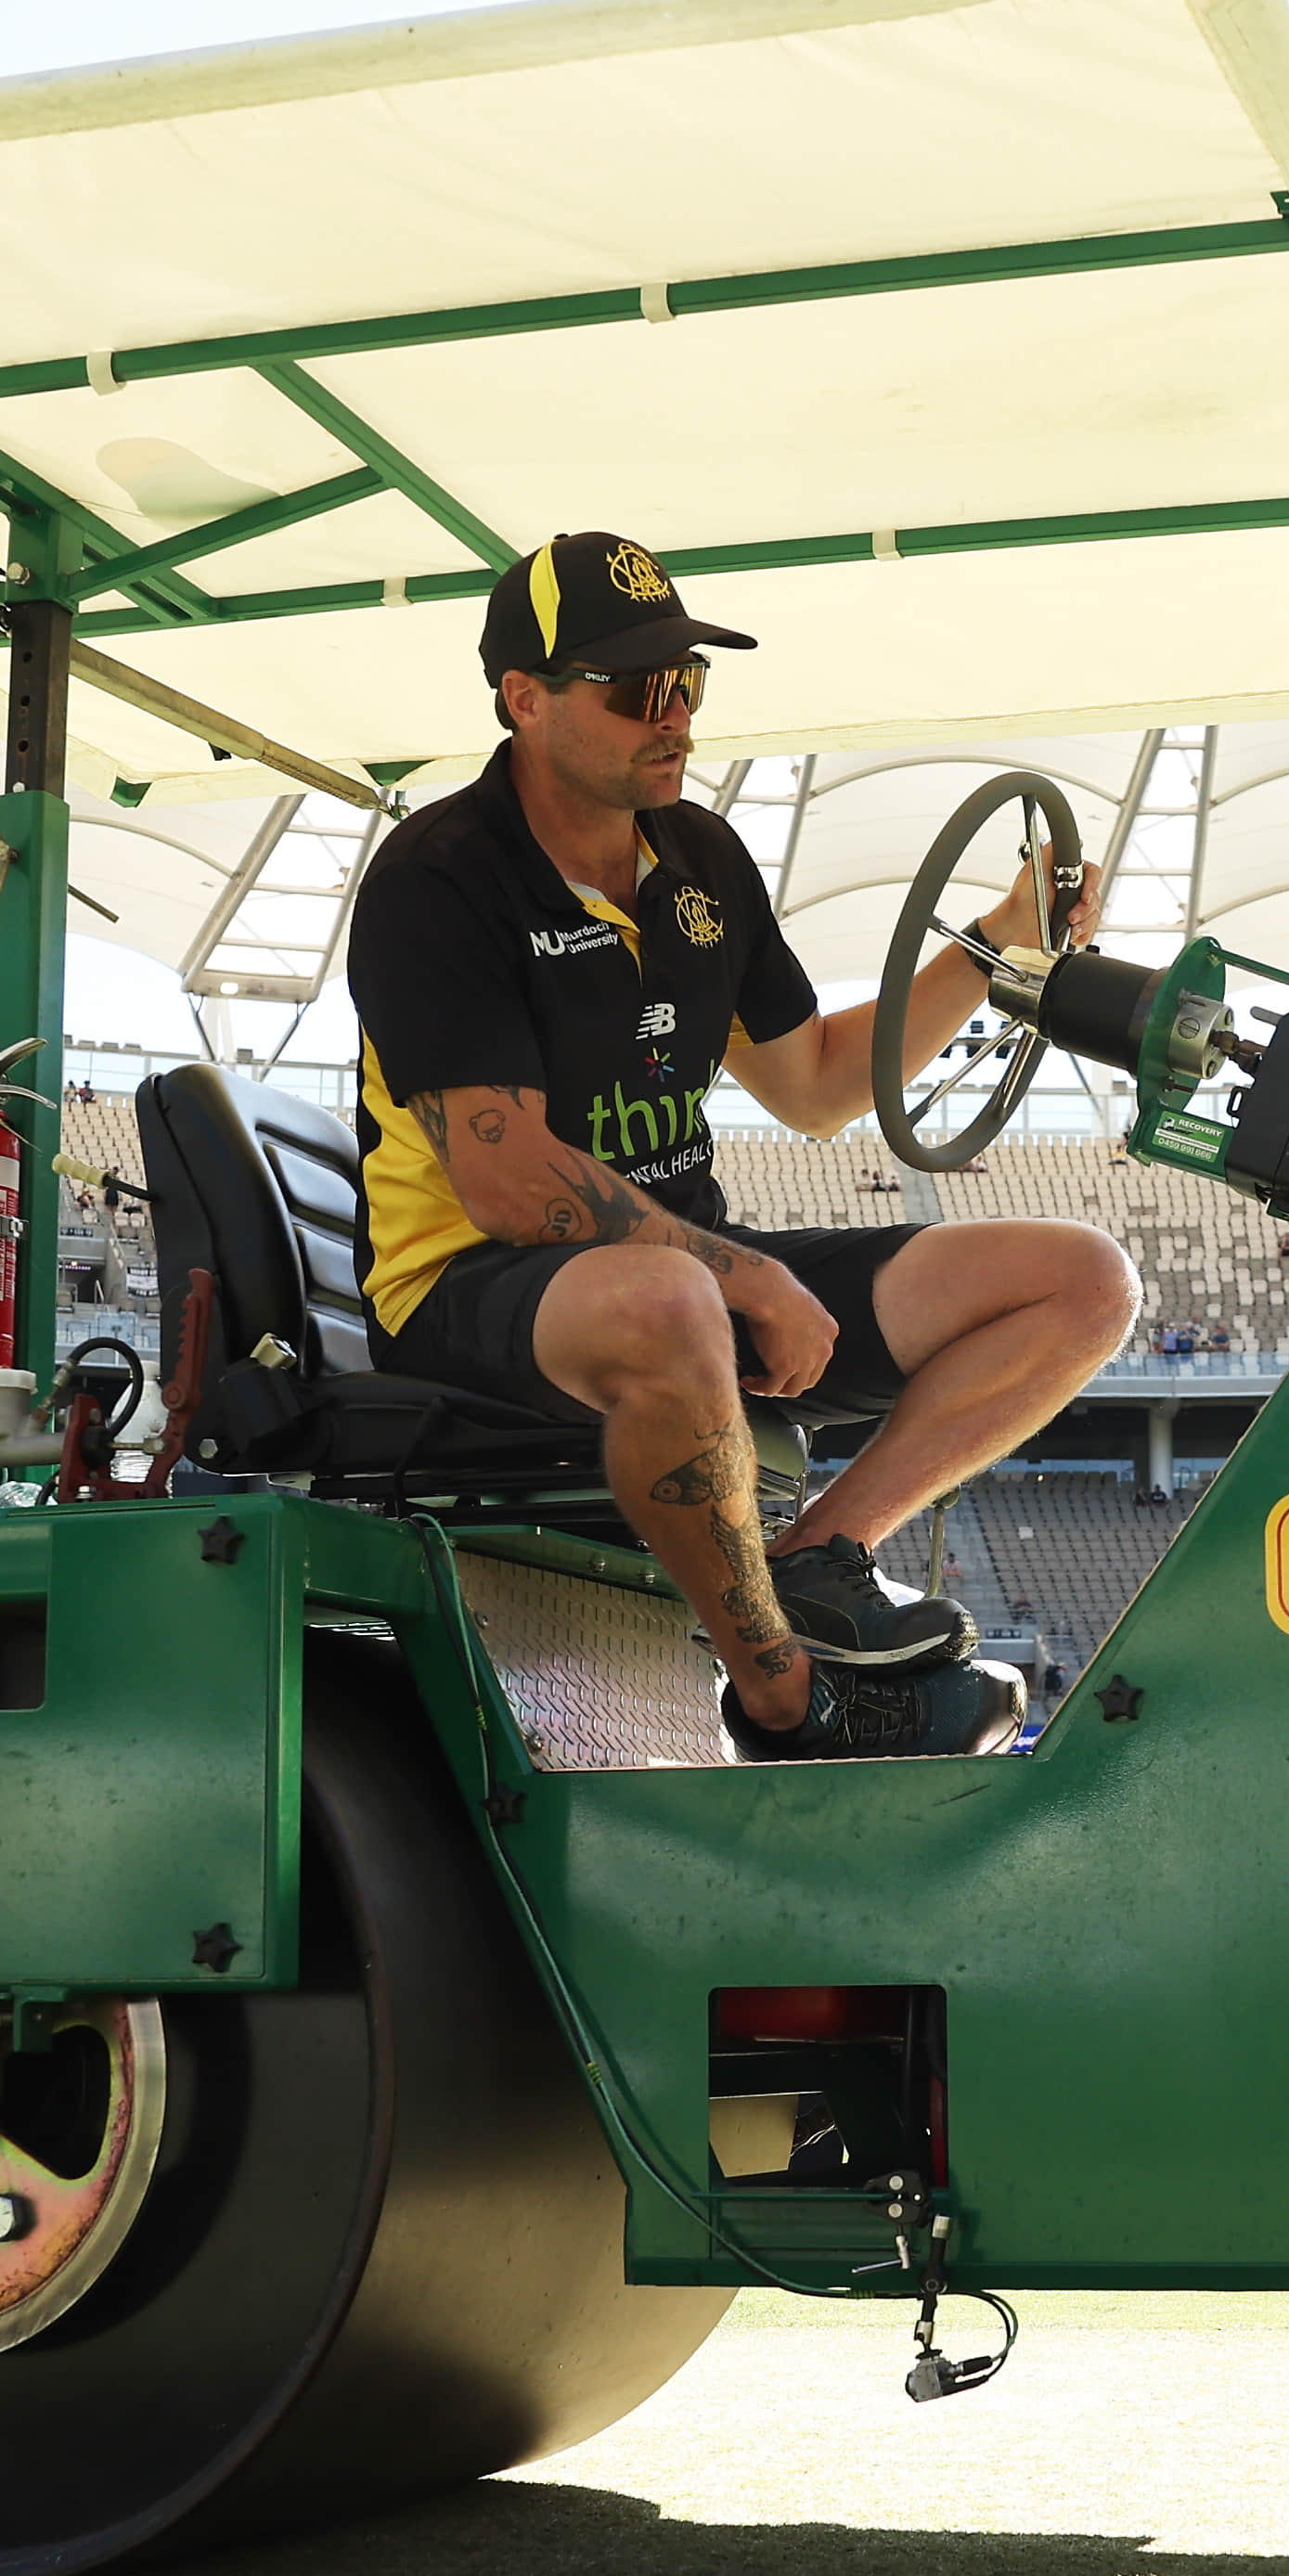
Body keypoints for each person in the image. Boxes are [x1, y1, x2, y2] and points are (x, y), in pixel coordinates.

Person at [337, 533, 1136, 1763]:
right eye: (638, 690)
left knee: (1083, 1280)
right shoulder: (438, 878)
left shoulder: (700, 856)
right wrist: (743, 1273)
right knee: (670, 1295)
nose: (678, 717)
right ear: (525, 699)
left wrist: (998, 939)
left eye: (691, 683)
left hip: (674, 1276)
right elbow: (502, 1178)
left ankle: (823, 1554)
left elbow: (816, 1084)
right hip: (470, 1283)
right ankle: (782, 1699)